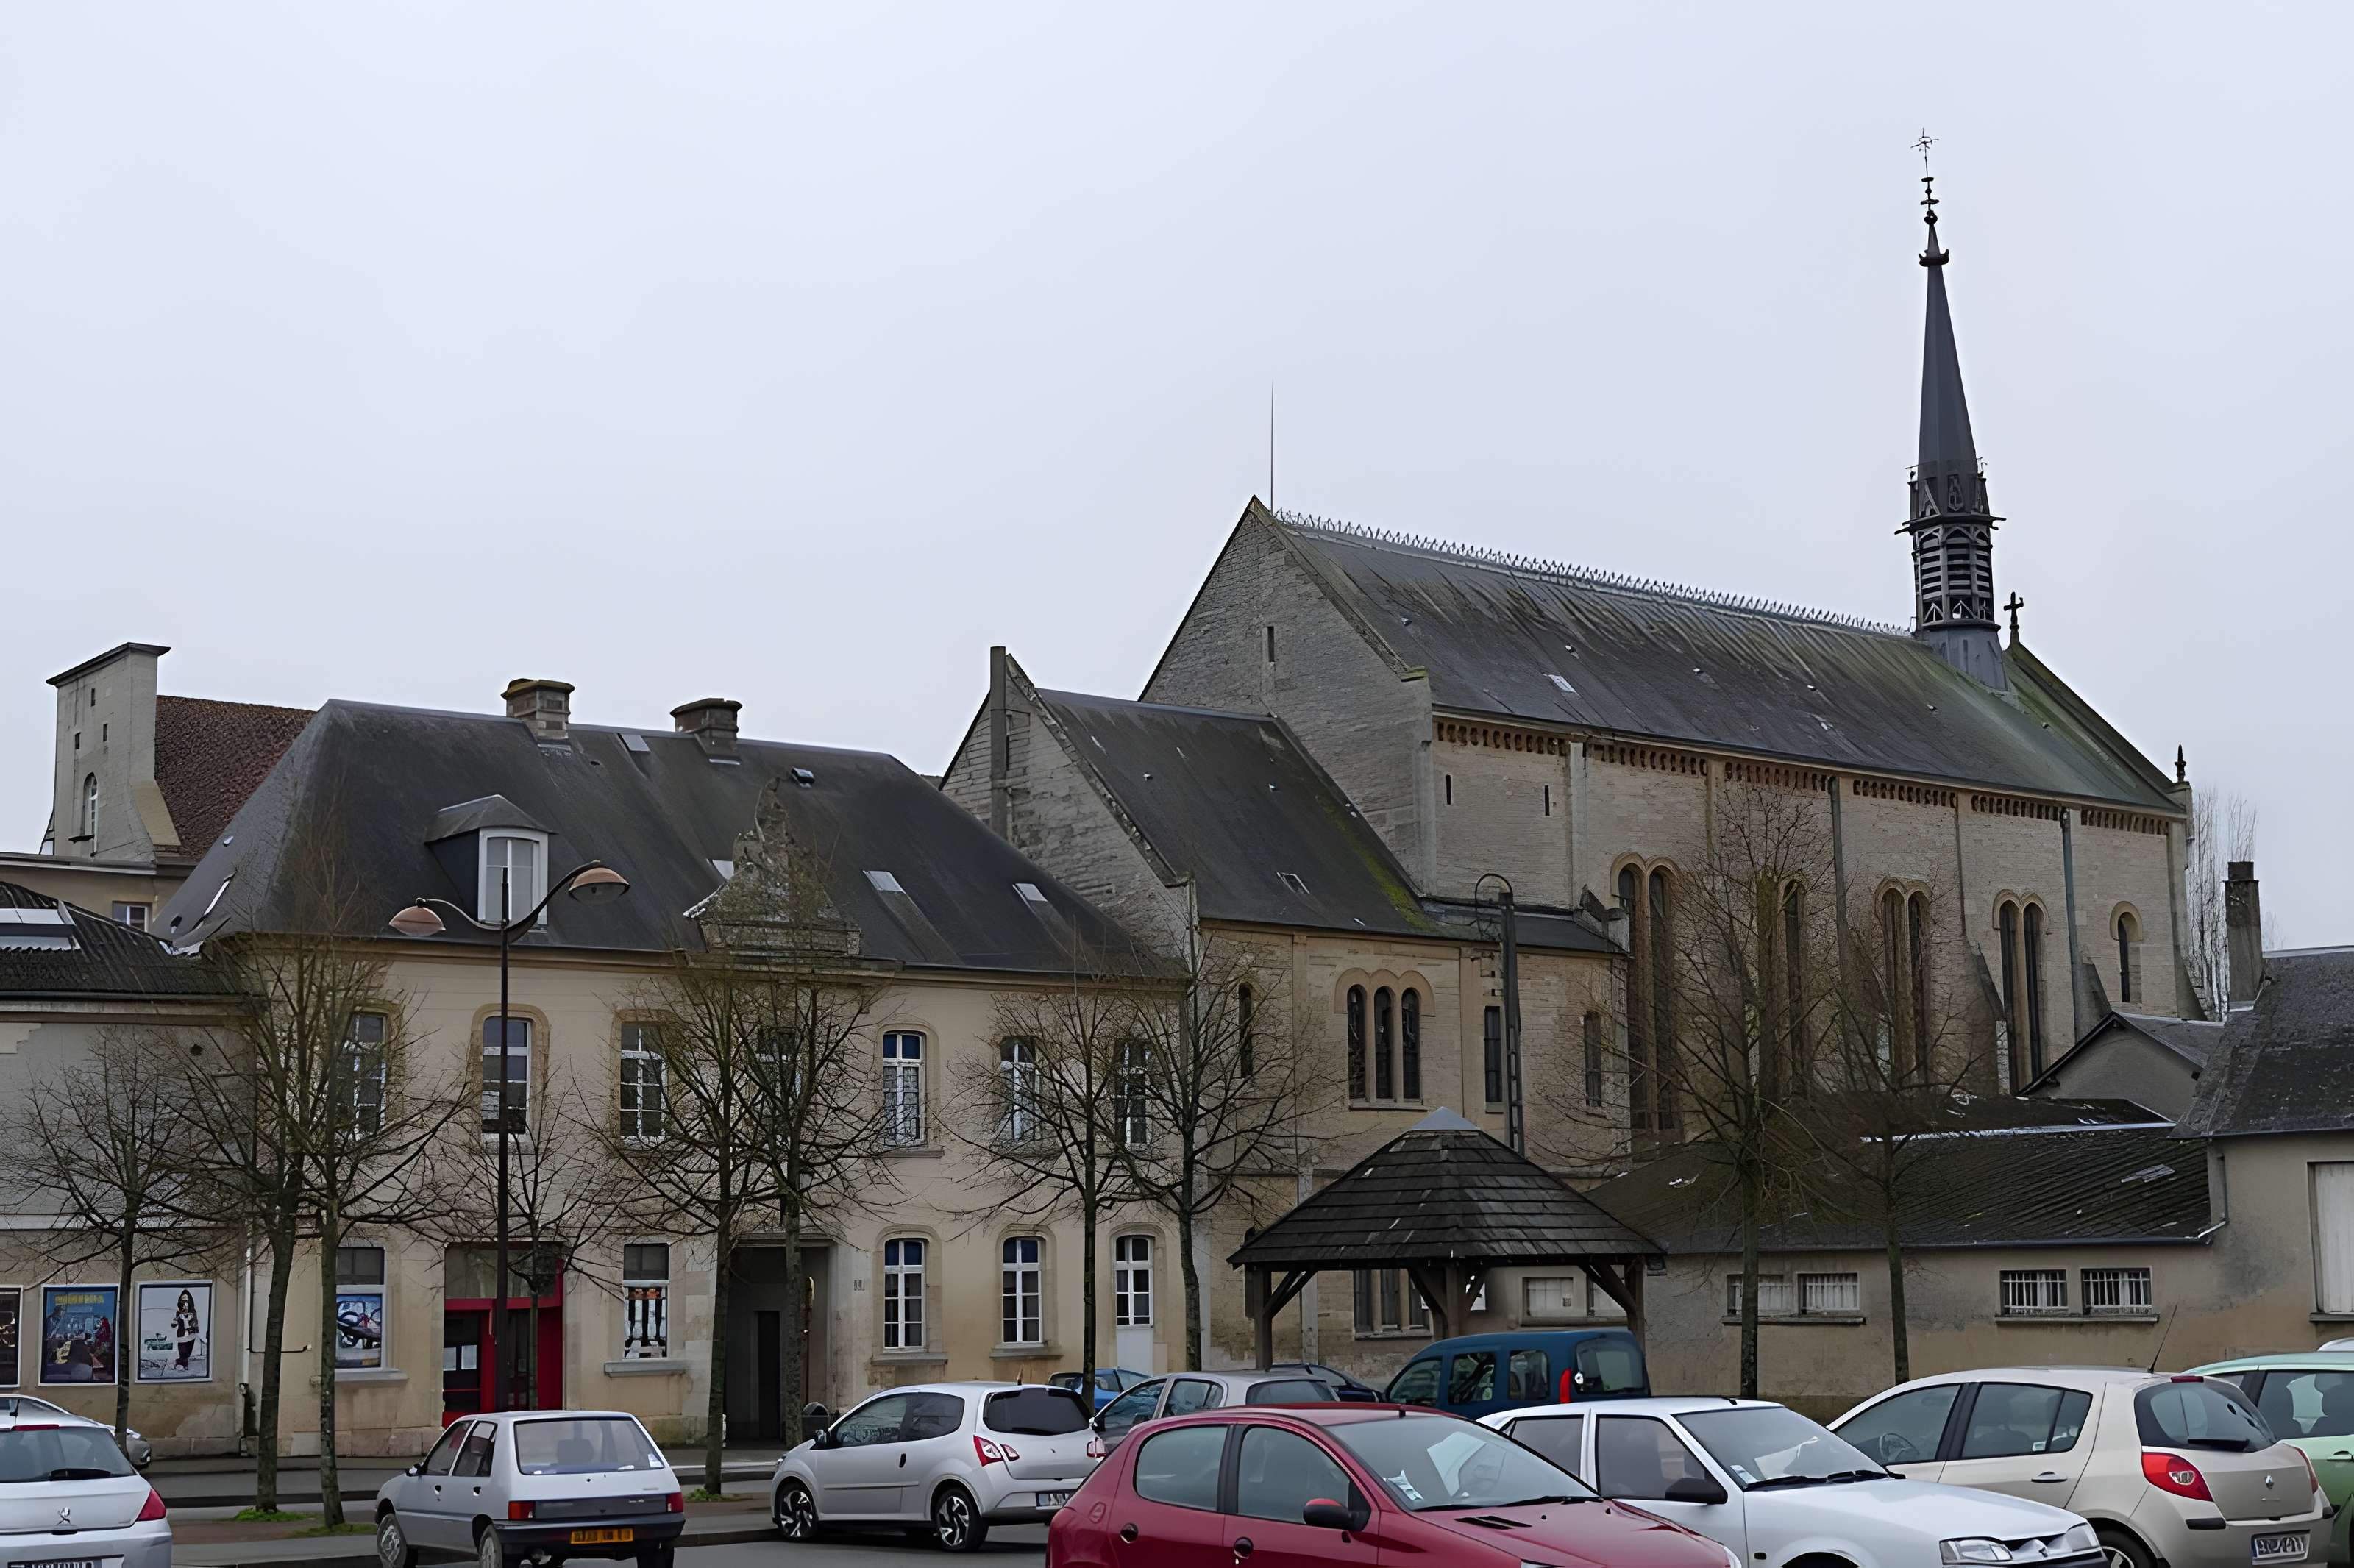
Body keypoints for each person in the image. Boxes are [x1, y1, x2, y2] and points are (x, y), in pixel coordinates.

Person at [172, 1291, 200, 1371]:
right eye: (183, 1302)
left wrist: (192, 1321)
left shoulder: (193, 1312)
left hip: (191, 1334)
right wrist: (174, 1323)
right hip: (182, 1335)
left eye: (186, 1302)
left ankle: (183, 1363)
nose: (184, 1305)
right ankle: (182, 1363)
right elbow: (174, 1324)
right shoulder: (178, 1313)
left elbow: (195, 1322)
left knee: (188, 1352)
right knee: (182, 1351)